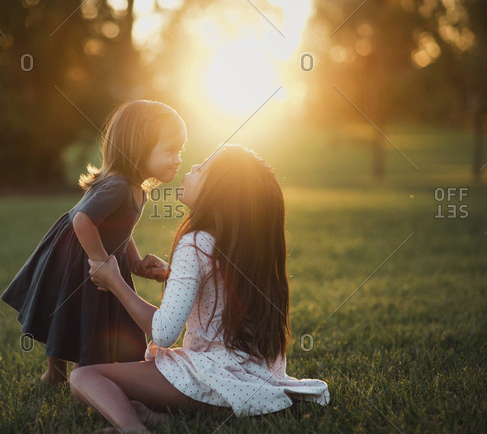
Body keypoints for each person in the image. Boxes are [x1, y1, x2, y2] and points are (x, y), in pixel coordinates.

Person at [73, 145, 330, 433]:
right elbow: (226, 282)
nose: (192, 168)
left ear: (218, 194)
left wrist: (114, 281)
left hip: (206, 380)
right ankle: (158, 419)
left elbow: (163, 333)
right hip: (253, 378)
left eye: (202, 169)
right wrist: (175, 272)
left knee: (85, 377)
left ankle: (133, 428)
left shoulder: (194, 243)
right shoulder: (246, 246)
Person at [1, 100, 187, 385]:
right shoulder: (119, 187)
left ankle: (67, 374)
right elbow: (82, 220)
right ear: (139, 146)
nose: (178, 159)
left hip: (96, 255)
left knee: (84, 315)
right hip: (80, 256)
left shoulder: (136, 188)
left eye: (180, 151)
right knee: (75, 314)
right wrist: (99, 261)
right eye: (170, 150)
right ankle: (65, 374)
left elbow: (118, 230)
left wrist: (135, 263)